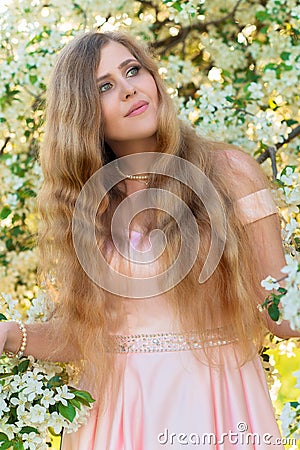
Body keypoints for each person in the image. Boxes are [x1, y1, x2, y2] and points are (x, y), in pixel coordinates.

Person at [0, 30, 299, 450]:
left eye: (132, 70)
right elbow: (83, 335)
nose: (129, 90)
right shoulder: (86, 207)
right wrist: (10, 334)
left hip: (217, 399)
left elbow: (282, 315)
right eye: (105, 86)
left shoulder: (229, 172)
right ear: (83, 114)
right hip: (119, 412)